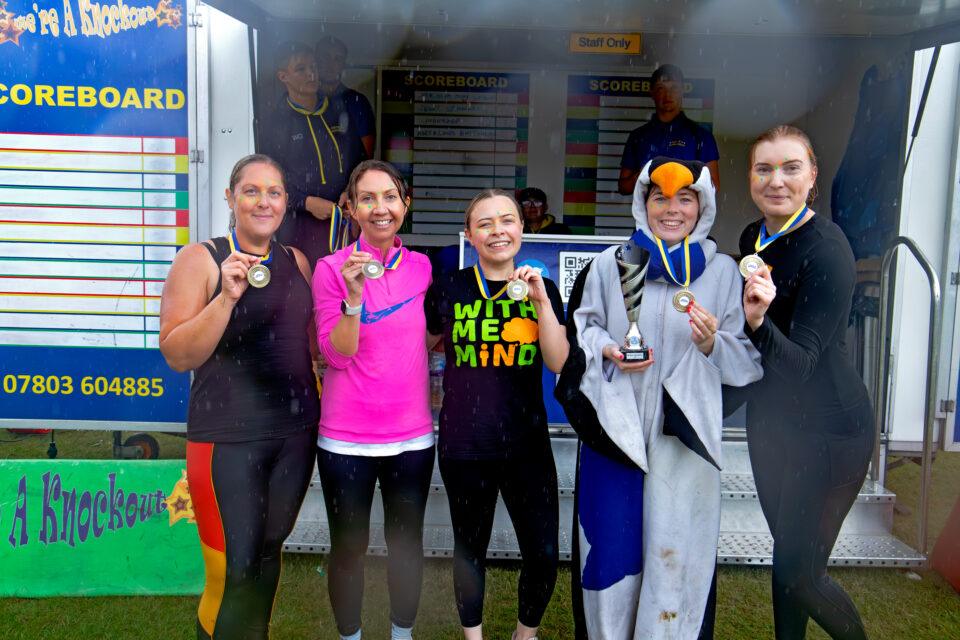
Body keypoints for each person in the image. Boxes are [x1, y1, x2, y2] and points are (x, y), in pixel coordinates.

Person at [557, 157, 761, 639]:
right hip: (617, 431)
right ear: (642, 203)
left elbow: (748, 360)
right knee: (610, 550)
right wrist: (609, 349)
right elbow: (581, 333)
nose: (672, 209)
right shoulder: (609, 265)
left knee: (677, 553)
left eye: (685, 199)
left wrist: (712, 344)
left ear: (703, 205)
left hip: (683, 437)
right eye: (660, 198)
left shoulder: (724, 273)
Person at [158, 154, 319, 639]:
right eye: (251, 191)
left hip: (294, 435)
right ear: (230, 198)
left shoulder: (296, 261)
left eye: (274, 191)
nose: (263, 201)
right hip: (226, 438)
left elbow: (308, 347)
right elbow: (178, 354)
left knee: (268, 554)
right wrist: (227, 297)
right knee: (234, 570)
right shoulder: (200, 259)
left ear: (285, 202)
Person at [738, 126, 874, 640]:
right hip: (772, 426)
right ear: (751, 177)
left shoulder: (828, 250)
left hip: (830, 433)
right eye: (764, 169)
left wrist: (757, 323)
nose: (777, 181)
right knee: (786, 563)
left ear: (812, 176)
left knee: (804, 576)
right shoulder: (752, 238)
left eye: (791, 168)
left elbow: (801, 365)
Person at [424, 189, 569, 640]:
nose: (497, 231)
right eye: (484, 224)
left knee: (543, 553)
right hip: (465, 443)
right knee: (470, 550)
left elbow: (558, 362)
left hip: (527, 444)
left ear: (522, 229)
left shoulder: (542, 289)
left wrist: (541, 303)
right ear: (469, 235)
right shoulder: (449, 287)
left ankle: (525, 636)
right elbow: (421, 346)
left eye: (507, 220)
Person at [312, 159, 434, 640]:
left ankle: (402, 635)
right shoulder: (330, 269)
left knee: (406, 546)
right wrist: (354, 298)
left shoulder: (423, 267)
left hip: (411, 439)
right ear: (350, 208)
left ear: (406, 204)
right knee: (348, 548)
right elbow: (337, 356)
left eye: (390, 197)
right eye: (367, 198)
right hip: (346, 441)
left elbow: (431, 336)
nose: (380, 208)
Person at [260, 41, 366, 268]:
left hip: (344, 223)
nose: (311, 74)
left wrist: (351, 191)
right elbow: (268, 183)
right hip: (297, 228)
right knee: (303, 284)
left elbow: (362, 162)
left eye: (313, 67)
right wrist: (306, 203)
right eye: (301, 69)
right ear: (283, 77)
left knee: (345, 283)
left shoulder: (339, 111)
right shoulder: (274, 125)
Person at [618, 65, 720, 195]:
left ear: (682, 91)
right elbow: (623, 187)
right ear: (652, 93)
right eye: (661, 88)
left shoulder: (702, 136)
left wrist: (681, 179)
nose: (668, 94)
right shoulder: (637, 136)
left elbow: (714, 186)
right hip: (650, 207)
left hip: (686, 208)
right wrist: (642, 176)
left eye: (674, 88)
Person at [316, 35, 377, 159]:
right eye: (326, 56)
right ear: (316, 60)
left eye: (338, 59)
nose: (331, 64)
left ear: (344, 65)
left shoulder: (357, 103)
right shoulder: (302, 98)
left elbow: (366, 159)